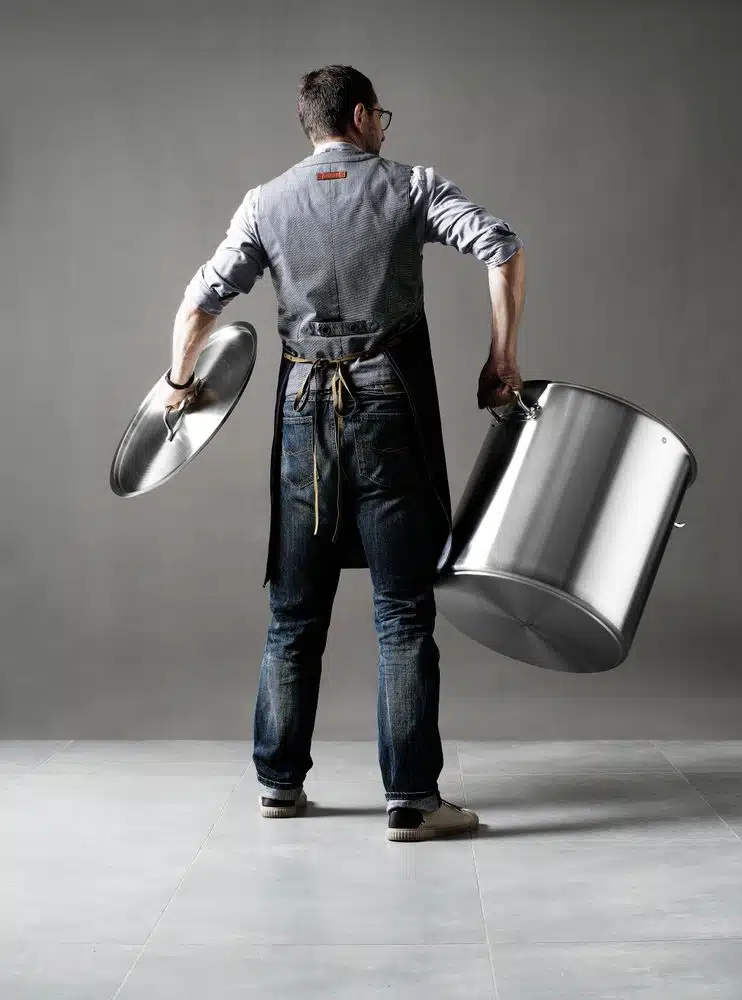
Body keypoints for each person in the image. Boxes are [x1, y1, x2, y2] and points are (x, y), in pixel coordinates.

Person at [163, 65, 525, 842]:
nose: (382, 127)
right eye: (380, 116)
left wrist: (179, 382)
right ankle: (412, 803)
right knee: (402, 611)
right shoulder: (412, 186)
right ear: (360, 115)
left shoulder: (263, 202)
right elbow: (500, 248)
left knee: (294, 613)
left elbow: (199, 302)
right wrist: (500, 360)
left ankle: (278, 787)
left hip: (302, 407)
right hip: (388, 404)